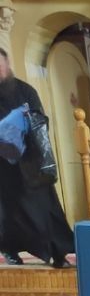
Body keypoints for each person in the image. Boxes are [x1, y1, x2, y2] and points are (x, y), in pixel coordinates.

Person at [0, 48, 74, 267]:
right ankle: (10, 250)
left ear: (7, 64)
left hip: (29, 164)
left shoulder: (25, 91)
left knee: (44, 210)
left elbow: (39, 122)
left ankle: (58, 252)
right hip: (3, 168)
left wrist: (20, 126)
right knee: (8, 213)